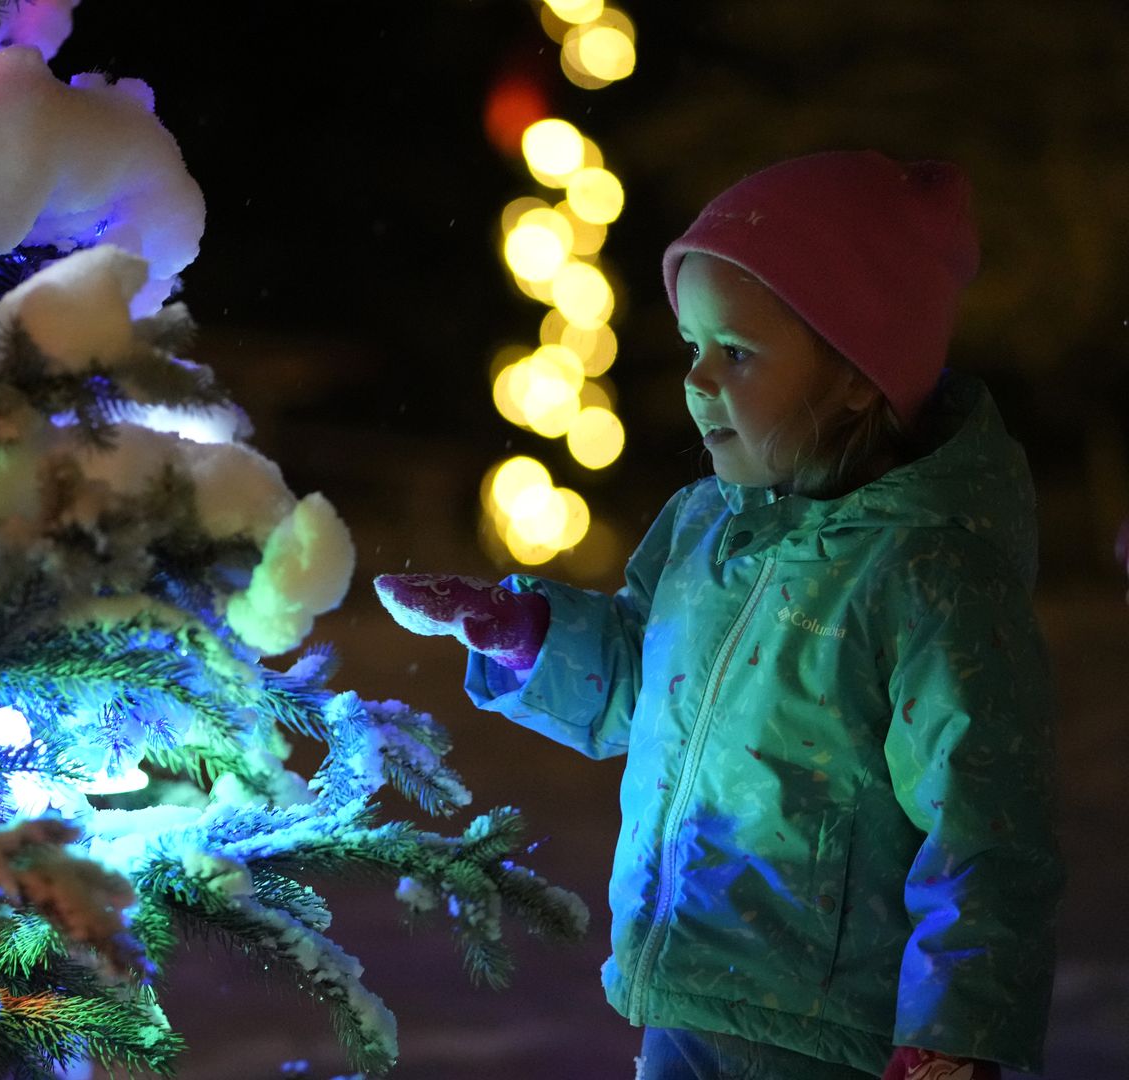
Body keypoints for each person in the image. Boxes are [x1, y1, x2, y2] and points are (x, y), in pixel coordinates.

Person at [376, 152, 1062, 1080]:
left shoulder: (926, 577)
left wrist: (954, 1033)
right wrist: (524, 632)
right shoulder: (703, 529)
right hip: (689, 995)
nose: (698, 379)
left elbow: (985, 826)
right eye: (693, 345)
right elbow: (637, 684)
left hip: (833, 1037)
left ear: (859, 375)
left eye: (735, 352)